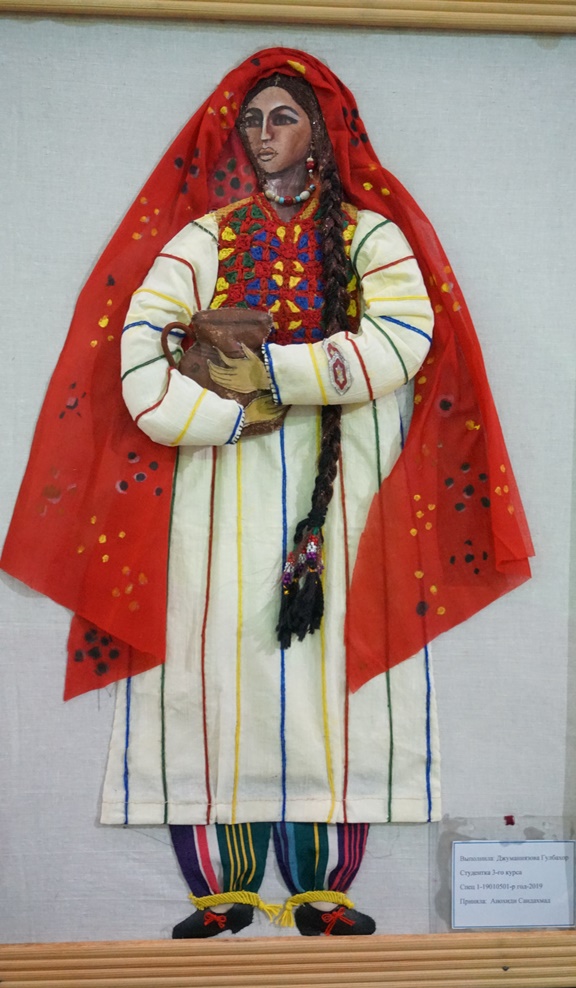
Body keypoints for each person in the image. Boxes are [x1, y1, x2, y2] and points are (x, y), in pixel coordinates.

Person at [0, 49, 533, 940]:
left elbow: (404, 336)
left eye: (281, 116)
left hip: (348, 490)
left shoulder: (371, 237)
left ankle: (325, 890)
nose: (261, 133)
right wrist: (220, 415)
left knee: (337, 685)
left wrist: (276, 373)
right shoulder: (203, 240)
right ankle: (223, 891)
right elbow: (141, 348)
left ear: (321, 132)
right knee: (209, 673)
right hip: (214, 491)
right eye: (251, 120)